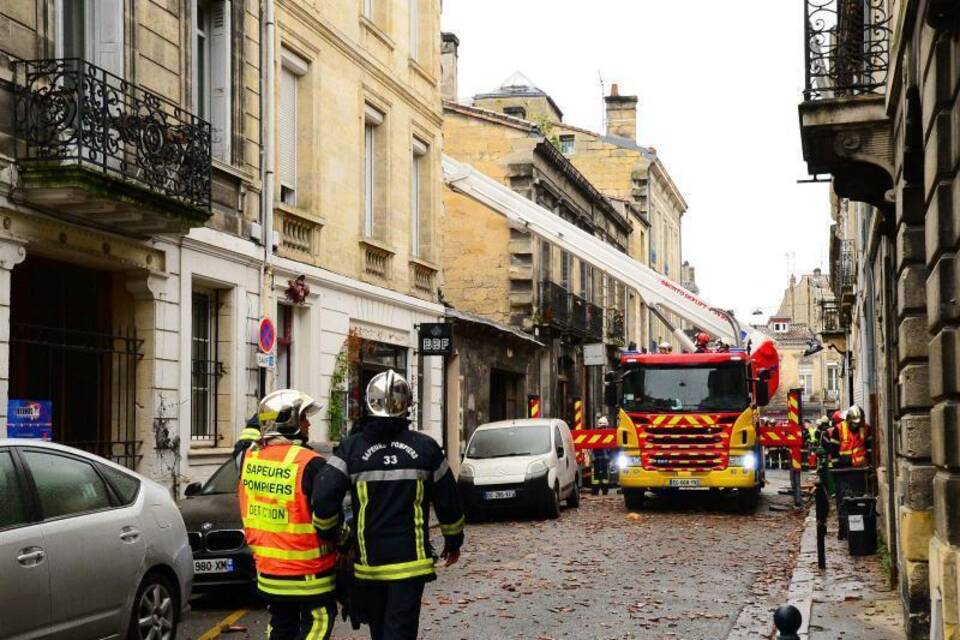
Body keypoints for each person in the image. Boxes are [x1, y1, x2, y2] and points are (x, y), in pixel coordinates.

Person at [312, 370, 465, 640]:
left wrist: (332, 534)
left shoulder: (351, 448)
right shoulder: (426, 448)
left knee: (379, 632)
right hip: (410, 566)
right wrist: (453, 541)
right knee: (400, 633)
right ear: (407, 405)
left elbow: (324, 498)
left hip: (368, 565)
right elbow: (449, 502)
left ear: (368, 404)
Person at [239, 390, 338, 640]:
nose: (308, 423)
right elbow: (327, 516)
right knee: (319, 620)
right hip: (307, 571)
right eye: (303, 417)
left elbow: (246, 439)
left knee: (281, 625)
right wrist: (344, 538)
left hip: (269, 572)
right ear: (290, 421)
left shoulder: (249, 459)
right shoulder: (310, 463)